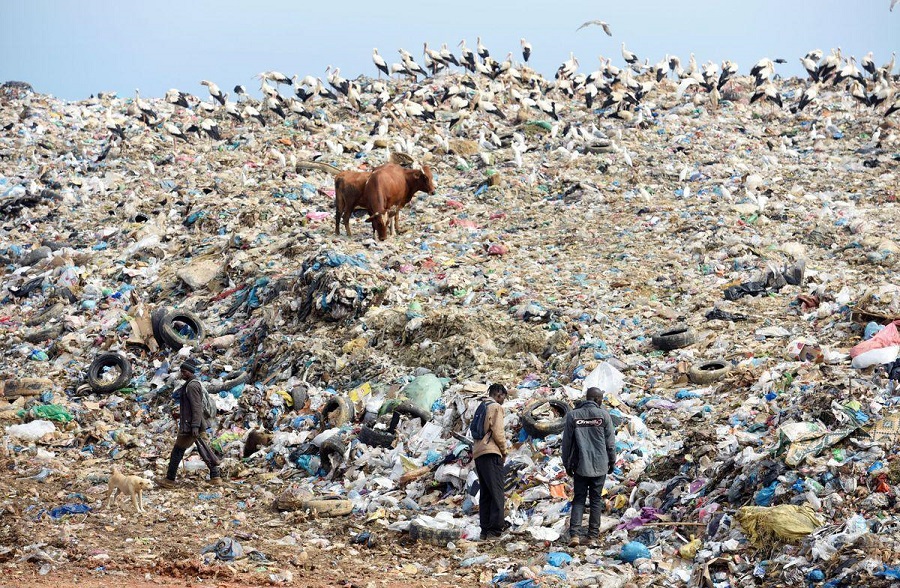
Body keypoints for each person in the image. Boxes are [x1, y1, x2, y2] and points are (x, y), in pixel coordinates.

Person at [561, 386, 616, 547]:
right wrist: (611, 462)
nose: (601, 402)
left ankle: (575, 536)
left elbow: (566, 444)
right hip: (600, 465)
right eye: (601, 399)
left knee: (578, 499)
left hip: (580, 465)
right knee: (595, 500)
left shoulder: (573, 416)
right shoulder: (604, 415)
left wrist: (567, 464)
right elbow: (610, 443)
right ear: (596, 399)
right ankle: (592, 536)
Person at [158, 359, 223, 488]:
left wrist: (194, 426)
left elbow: (196, 407)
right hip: (192, 424)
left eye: (184, 371)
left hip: (191, 426)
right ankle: (215, 476)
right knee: (204, 449)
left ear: (189, 372)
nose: (182, 374)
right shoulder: (191, 384)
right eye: (181, 371)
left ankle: (169, 480)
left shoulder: (192, 386)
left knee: (178, 451)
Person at [472, 383, 509, 540]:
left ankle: (484, 530)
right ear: (498, 394)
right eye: (503, 398)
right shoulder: (495, 407)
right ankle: (495, 530)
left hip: (479, 453)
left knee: (486, 493)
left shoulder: (482, 406)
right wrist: (504, 451)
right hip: (491, 452)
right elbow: (498, 432)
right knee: (497, 492)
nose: (503, 402)